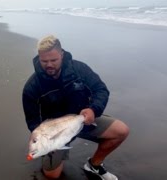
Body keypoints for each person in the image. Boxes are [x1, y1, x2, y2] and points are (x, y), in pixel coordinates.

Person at [22, 35, 129, 180]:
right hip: (55, 134)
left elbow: (101, 90)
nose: (49, 65)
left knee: (121, 131)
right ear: (39, 57)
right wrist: (40, 137)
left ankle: (94, 165)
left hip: (84, 120)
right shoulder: (32, 87)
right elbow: (32, 120)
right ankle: (52, 158)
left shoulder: (79, 70)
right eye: (44, 61)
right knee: (52, 176)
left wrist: (93, 110)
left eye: (53, 60)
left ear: (62, 54)